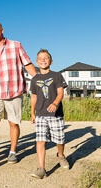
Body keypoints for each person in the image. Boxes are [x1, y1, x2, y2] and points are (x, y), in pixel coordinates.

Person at [0, 22, 37, 168]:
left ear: (2, 31)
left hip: (14, 91)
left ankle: (13, 152)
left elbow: (27, 64)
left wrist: (38, 80)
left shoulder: (16, 45)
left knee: (13, 123)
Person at [30, 49, 69, 179]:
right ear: (36, 62)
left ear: (51, 61)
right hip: (41, 114)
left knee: (59, 139)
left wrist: (55, 103)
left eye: (46, 58)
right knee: (40, 140)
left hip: (55, 114)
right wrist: (32, 112)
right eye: (40, 58)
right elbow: (34, 97)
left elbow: (60, 93)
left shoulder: (57, 75)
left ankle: (61, 156)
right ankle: (41, 168)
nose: (43, 60)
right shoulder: (35, 79)